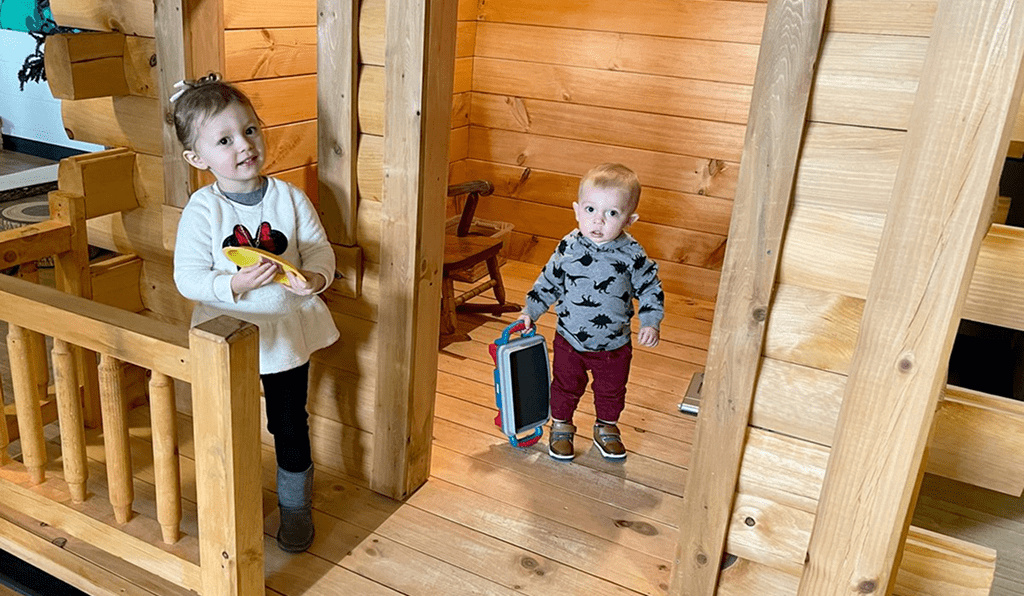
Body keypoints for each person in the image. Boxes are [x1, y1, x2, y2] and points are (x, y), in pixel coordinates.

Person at [170, 74, 339, 552]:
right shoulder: (203, 211)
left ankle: (295, 507)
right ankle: (227, 503)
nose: (243, 146)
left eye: (249, 131)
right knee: (224, 424)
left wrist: (318, 279)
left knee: (289, 422)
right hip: (226, 337)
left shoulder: (289, 198)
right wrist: (233, 285)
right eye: (224, 140)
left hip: (286, 338)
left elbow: (320, 252)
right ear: (197, 159)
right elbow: (188, 278)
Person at [518, 163, 664, 461]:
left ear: (629, 219)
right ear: (576, 210)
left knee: (611, 390)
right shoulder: (568, 248)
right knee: (564, 386)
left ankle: (606, 426)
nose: (598, 221)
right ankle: (561, 425)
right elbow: (547, 282)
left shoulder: (632, 254)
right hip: (569, 339)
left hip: (614, 344)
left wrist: (651, 321)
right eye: (590, 210)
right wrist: (529, 312)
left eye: (611, 213)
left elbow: (650, 287)